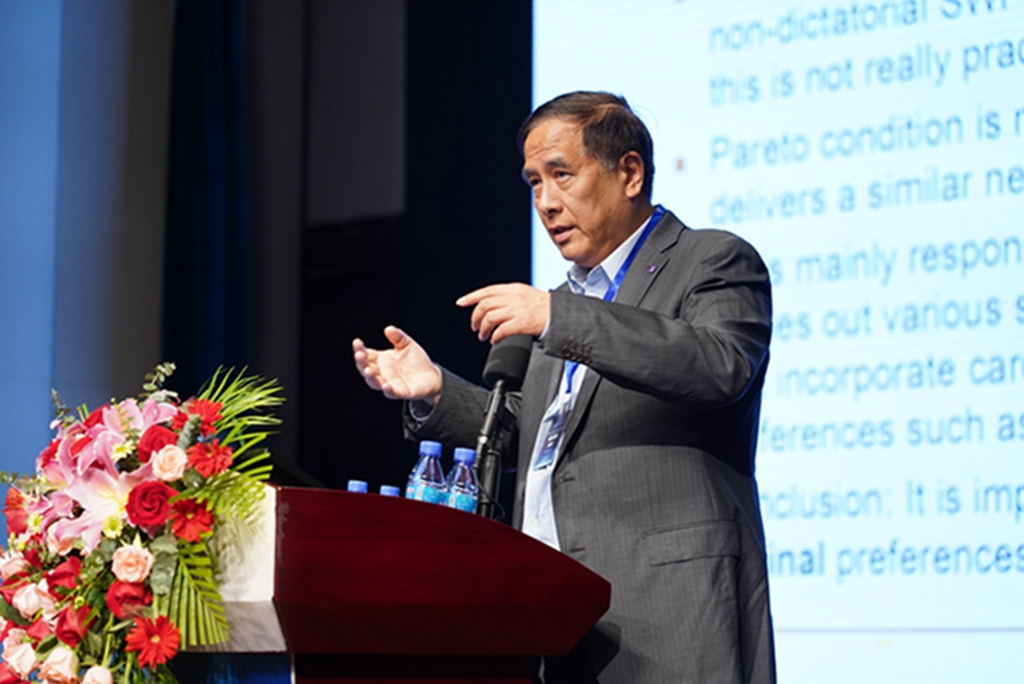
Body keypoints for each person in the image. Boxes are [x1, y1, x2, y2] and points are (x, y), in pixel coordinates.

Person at [352, 91, 775, 684]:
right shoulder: (565, 302)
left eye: (562, 175)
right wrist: (436, 391)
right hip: (552, 612)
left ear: (630, 173)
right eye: (534, 183)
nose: (546, 202)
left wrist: (558, 318)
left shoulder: (711, 260)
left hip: (668, 606)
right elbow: (535, 433)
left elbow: (719, 365)